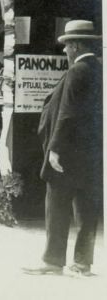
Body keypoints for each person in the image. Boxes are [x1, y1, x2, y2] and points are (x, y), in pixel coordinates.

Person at [23, 20, 103, 277]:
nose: (65, 50)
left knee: (57, 204)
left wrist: (54, 148)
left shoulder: (77, 71)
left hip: (68, 151)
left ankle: (53, 260)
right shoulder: (98, 69)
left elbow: (67, 113)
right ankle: (82, 263)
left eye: (67, 45)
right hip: (91, 151)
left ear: (77, 45)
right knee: (87, 207)